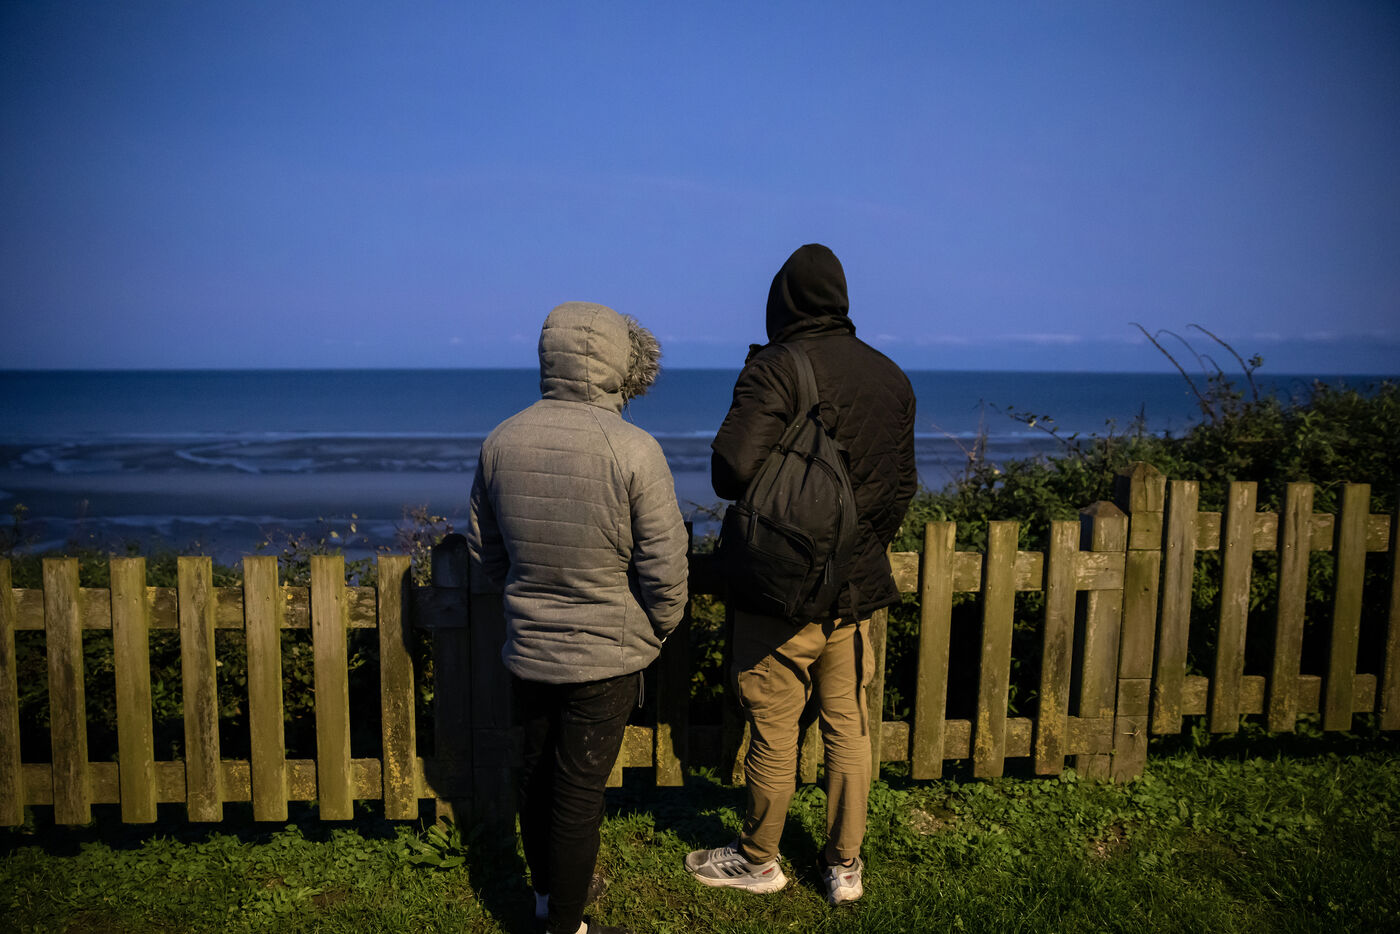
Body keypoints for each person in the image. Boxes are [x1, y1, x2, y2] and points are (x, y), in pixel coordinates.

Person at [685, 243, 917, 906]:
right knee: (847, 723)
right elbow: (902, 485)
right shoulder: (891, 376)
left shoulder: (778, 367)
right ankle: (845, 867)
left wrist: (754, 379)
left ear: (780, 302)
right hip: (853, 591)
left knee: (773, 724)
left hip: (780, 593)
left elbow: (731, 470)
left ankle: (759, 860)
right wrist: (858, 549)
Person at [468, 302, 689, 934]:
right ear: (621, 361)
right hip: (608, 656)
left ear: (549, 355)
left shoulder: (501, 441)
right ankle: (566, 926)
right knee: (577, 794)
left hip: (530, 648)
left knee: (535, 777)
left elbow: (487, 553)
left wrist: (525, 602)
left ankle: (544, 900)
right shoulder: (635, 449)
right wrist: (659, 627)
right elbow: (665, 564)